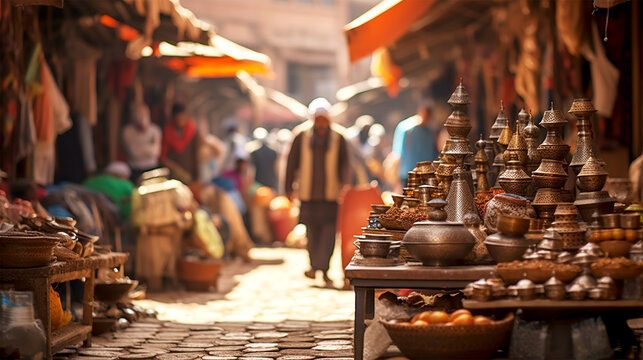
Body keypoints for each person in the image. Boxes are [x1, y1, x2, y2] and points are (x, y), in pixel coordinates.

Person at [285, 97, 350, 285]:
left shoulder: (339, 137)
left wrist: (345, 185)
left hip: (330, 195)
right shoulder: (301, 135)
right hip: (308, 194)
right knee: (312, 232)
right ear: (313, 119)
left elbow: (345, 165)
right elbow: (292, 163)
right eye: (318, 119)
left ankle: (325, 268)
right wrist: (288, 188)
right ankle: (314, 266)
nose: (321, 123)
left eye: (324, 119)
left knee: (329, 234)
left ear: (328, 120)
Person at [396, 98, 439, 186]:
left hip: (426, 173)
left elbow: (433, 153)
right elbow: (398, 153)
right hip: (409, 173)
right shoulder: (406, 129)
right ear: (420, 111)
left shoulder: (429, 132)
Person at [160, 103, 201, 184]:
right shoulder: (167, 132)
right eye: (178, 118)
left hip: (189, 174)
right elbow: (162, 156)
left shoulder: (192, 131)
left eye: (182, 117)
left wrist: (196, 176)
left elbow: (195, 154)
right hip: (173, 176)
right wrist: (175, 169)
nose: (180, 121)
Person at [122, 103, 162, 183]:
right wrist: (147, 150)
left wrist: (140, 150)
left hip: (152, 167)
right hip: (134, 169)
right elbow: (133, 153)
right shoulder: (127, 132)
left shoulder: (155, 130)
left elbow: (155, 152)